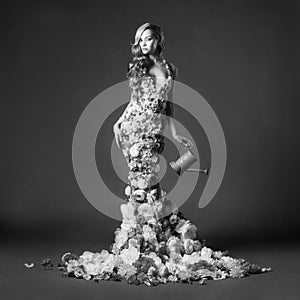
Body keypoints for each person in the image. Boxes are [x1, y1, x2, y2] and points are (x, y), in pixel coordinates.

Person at [60, 22, 271, 286]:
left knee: (150, 183)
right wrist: (118, 121)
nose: (146, 44)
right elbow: (134, 101)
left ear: (159, 40)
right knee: (141, 183)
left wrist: (174, 134)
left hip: (156, 130)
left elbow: (168, 105)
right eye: (142, 40)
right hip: (135, 127)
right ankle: (142, 238)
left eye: (150, 39)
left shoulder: (171, 69)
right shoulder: (137, 68)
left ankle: (151, 236)